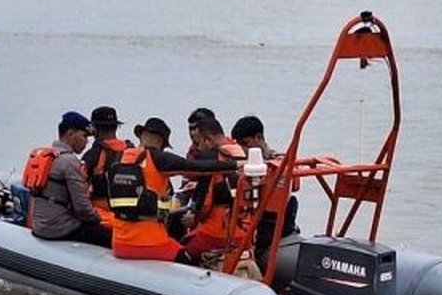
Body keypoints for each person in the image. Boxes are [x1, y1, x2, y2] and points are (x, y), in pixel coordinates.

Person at [107, 117, 232, 262]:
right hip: (149, 243)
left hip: (119, 243)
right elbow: (197, 168)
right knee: (186, 258)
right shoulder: (158, 158)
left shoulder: (120, 158)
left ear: (141, 135)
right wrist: (235, 166)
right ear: (160, 142)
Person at [25, 110, 112, 248]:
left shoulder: (47, 156)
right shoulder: (70, 162)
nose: (87, 142)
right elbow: (82, 209)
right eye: (84, 136)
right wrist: (100, 219)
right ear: (70, 134)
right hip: (60, 228)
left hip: (40, 225)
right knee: (110, 236)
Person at [230, 114, 299, 268]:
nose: (243, 150)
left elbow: (291, 186)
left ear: (258, 138)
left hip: (272, 225)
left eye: (246, 144)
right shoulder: (243, 164)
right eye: (240, 146)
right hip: (254, 222)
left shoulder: (278, 163)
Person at [179, 116, 249, 262]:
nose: (196, 148)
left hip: (215, 233)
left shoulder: (210, 159)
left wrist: (192, 216)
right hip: (244, 232)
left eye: (197, 143)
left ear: (208, 140)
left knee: (180, 256)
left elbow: (204, 204)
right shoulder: (243, 154)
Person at [82, 105, 132, 224]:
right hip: (130, 217)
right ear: (116, 127)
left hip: (102, 216)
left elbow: (80, 189)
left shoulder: (92, 155)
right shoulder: (132, 151)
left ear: (94, 129)